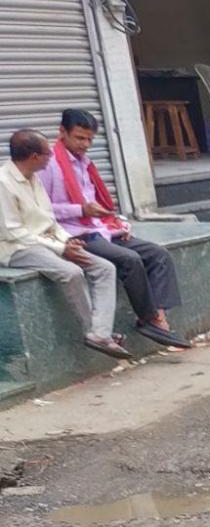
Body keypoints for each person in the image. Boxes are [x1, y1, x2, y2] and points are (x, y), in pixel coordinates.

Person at [43, 110, 188, 350]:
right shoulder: (48, 164)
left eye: (90, 139)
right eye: (79, 138)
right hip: (74, 233)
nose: (85, 144)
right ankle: (149, 318)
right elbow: (43, 209)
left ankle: (157, 316)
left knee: (158, 254)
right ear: (62, 132)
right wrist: (81, 210)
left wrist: (117, 223)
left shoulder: (83, 163)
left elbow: (97, 203)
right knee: (129, 259)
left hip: (100, 229)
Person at [1, 129, 126, 359]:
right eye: (48, 154)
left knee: (104, 268)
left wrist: (66, 240)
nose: (52, 157)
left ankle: (100, 333)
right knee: (71, 272)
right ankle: (96, 333)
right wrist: (60, 248)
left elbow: (49, 220)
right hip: (16, 248)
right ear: (34, 157)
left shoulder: (34, 178)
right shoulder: (4, 183)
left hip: (47, 241)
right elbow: (13, 231)